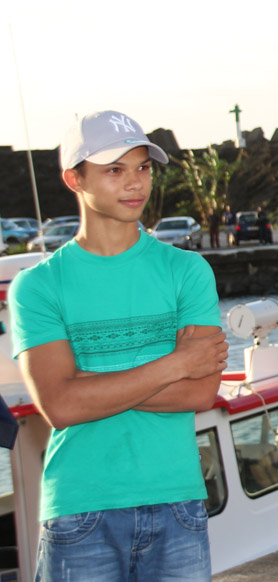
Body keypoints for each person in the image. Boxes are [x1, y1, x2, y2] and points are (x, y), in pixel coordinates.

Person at [8, 110, 229, 581]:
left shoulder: (187, 271)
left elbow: (199, 394)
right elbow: (61, 407)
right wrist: (176, 363)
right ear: (74, 179)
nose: (135, 184)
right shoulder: (37, 287)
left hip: (178, 502)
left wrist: (89, 383)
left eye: (143, 167)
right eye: (114, 170)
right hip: (79, 508)